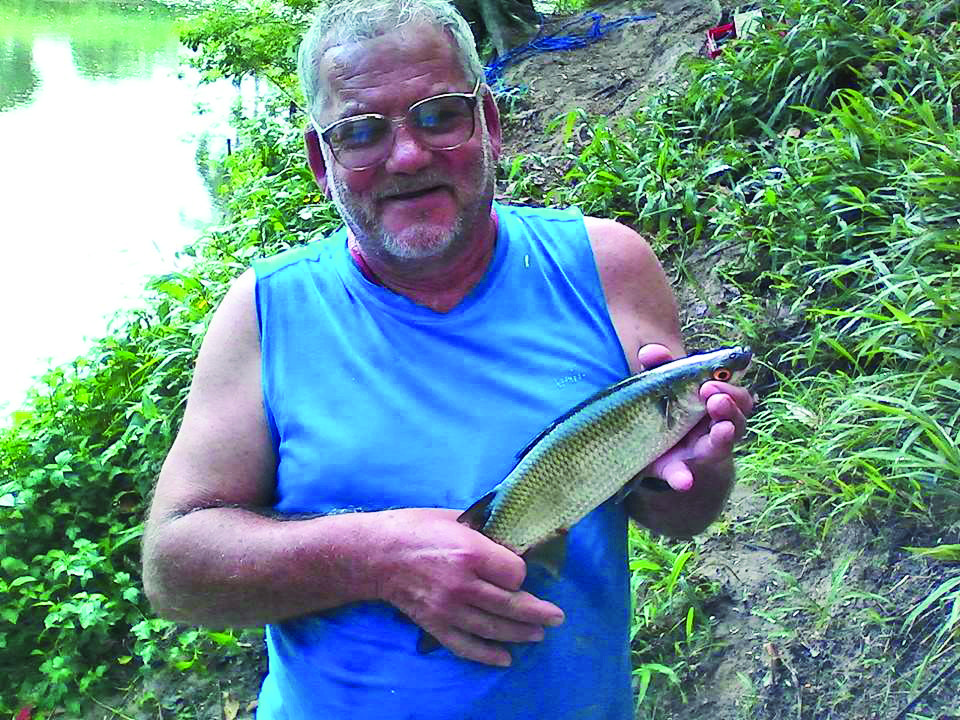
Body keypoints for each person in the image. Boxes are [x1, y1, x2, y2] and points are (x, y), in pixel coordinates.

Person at [141, 1, 753, 717]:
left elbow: (677, 513)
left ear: (489, 122)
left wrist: (697, 475)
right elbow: (174, 571)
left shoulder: (607, 267)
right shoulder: (264, 314)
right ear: (321, 160)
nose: (406, 156)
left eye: (438, 116)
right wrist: (374, 557)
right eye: (361, 133)